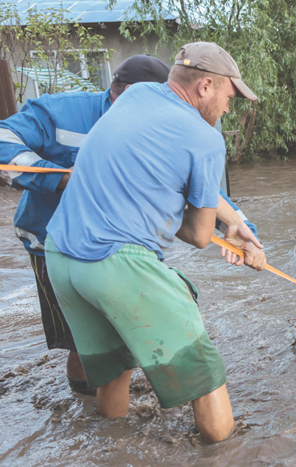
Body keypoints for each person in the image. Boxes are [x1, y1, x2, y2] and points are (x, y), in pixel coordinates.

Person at [44, 41, 265, 444]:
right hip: (116, 263)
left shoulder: (137, 94)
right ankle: (228, 452)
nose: (230, 108)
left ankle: (116, 450)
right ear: (205, 86)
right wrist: (220, 229)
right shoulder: (206, 139)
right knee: (204, 373)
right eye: (229, 96)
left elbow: (146, 166)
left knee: (115, 371)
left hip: (61, 256)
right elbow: (199, 235)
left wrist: (235, 223)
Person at [0, 55, 171, 395]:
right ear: (122, 94)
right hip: (51, 241)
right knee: (82, 338)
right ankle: (85, 409)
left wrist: (238, 228)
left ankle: (106, 404)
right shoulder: (62, 111)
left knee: (130, 327)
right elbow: (3, 139)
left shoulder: (160, 125)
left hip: (121, 245)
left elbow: (197, 190)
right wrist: (61, 179)